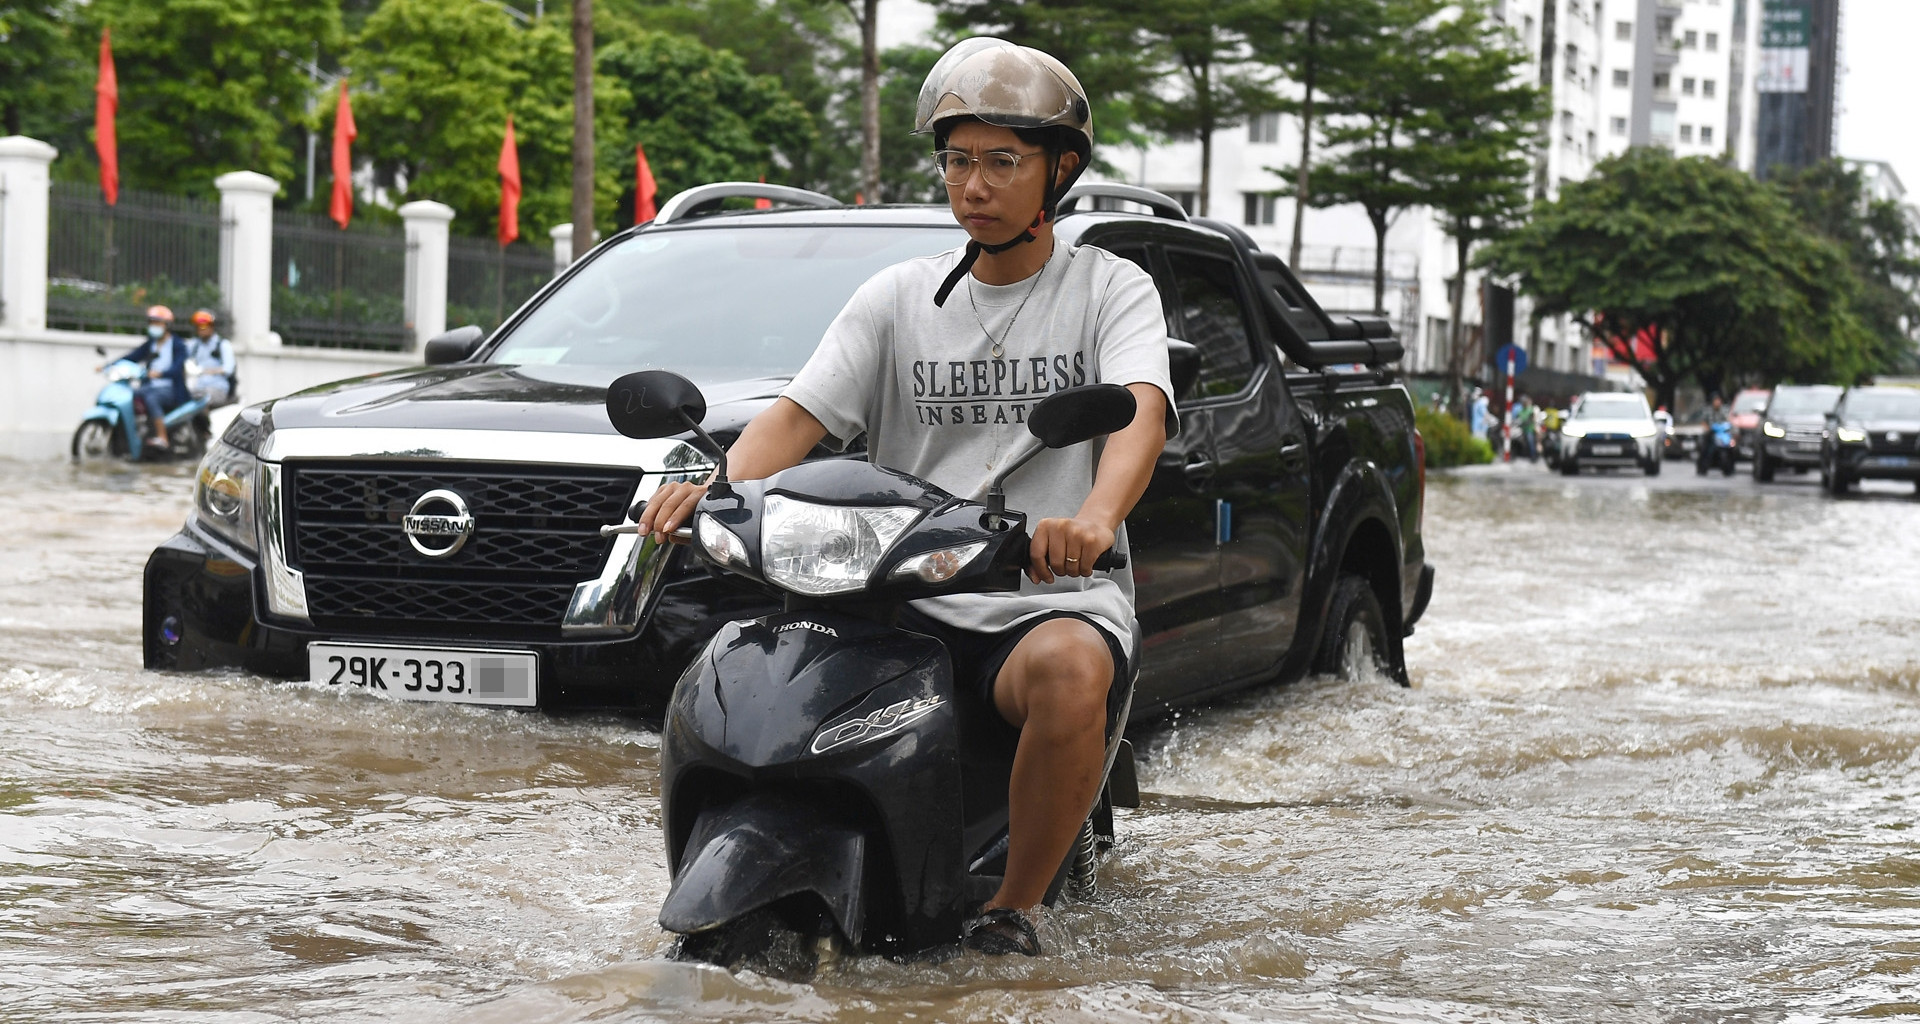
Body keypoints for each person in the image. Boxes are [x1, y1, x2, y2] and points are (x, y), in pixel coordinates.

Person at [636, 37, 1174, 957]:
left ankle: (1015, 906)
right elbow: (796, 420)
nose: (975, 184)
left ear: (1060, 169)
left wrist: (1092, 519)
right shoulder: (896, 296)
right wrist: (708, 482)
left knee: (1071, 671)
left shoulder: (1108, 288)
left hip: (1034, 594)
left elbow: (1139, 416)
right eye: (959, 160)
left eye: (1002, 161)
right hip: (885, 593)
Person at [107, 305, 192, 451]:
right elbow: (133, 356)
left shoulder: (177, 345)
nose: (154, 326)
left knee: (151, 398)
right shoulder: (151, 344)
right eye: (152, 322)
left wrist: (161, 374)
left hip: (170, 389)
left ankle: (162, 437)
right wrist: (109, 365)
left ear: (167, 325)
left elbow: (177, 368)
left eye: (158, 323)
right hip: (150, 386)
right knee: (129, 396)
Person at [184, 309, 236, 406]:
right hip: (196, 388)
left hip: (217, 388)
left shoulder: (223, 345)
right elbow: (184, 360)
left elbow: (228, 369)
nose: (201, 329)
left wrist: (204, 371)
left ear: (212, 326)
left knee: (201, 399)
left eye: (203, 326)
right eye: (198, 326)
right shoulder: (194, 345)